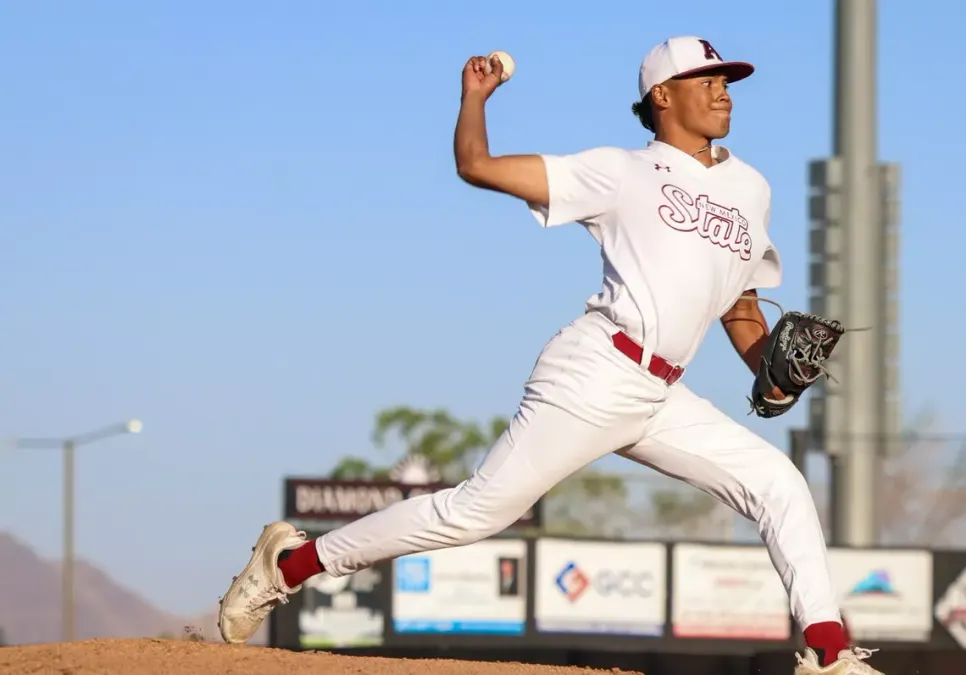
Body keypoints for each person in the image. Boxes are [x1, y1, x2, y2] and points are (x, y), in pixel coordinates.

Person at [217, 36, 883, 674]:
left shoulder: (752, 189)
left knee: (779, 484)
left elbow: (739, 303)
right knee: (474, 512)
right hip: (597, 370)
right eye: (705, 79)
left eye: (726, 80)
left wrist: (772, 373)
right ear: (661, 95)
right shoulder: (619, 171)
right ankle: (289, 566)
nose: (723, 90)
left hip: (662, 396)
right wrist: (475, 98)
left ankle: (828, 655)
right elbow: (476, 165)